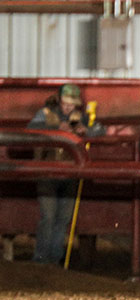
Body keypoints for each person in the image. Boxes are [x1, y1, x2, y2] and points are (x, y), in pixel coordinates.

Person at [26, 84, 104, 265]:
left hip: (70, 173)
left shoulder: (79, 118)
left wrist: (86, 131)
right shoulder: (46, 114)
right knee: (49, 217)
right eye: (66, 103)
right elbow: (31, 128)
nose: (69, 107)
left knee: (62, 218)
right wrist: (54, 127)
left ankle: (54, 258)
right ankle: (41, 258)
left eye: (72, 104)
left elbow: (100, 129)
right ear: (59, 100)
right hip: (48, 172)